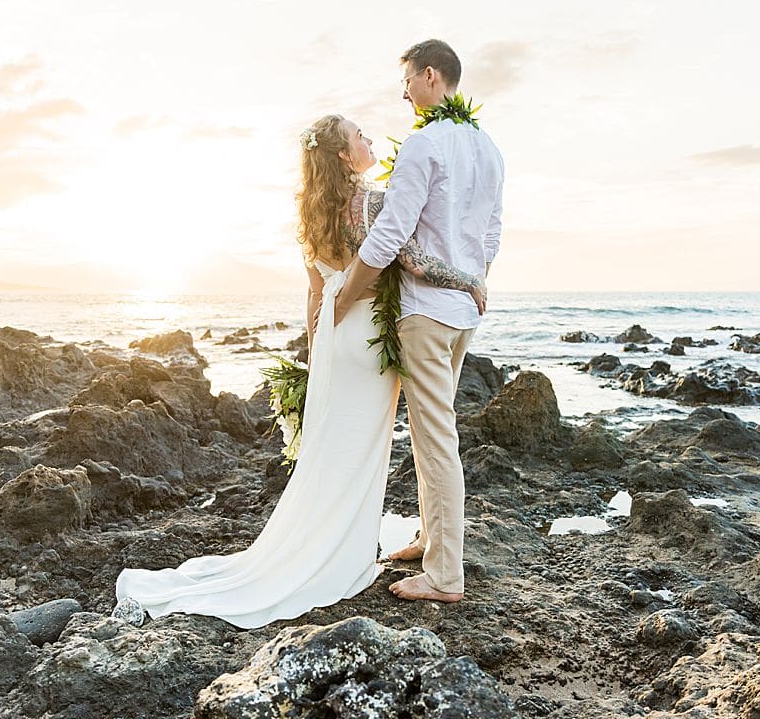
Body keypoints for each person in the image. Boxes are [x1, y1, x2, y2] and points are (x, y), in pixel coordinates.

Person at [113, 113, 484, 629]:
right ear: (342, 154)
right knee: (363, 448)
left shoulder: (309, 215)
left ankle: (330, 540)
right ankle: (346, 552)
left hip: (334, 336)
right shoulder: (371, 202)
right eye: (360, 136)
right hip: (369, 333)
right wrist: (469, 280)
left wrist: (317, 357)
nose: (370, 139)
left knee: (333, 445)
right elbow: (413, 260)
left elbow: (315, 294)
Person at [334, 39, 505, 604]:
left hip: (426, 313)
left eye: (407, 79)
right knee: (438, 430)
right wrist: (474, 279)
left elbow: (389, 235)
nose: (403, 91)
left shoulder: (423, 145)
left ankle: (445, 576)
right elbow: (491, 236)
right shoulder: (489, 148)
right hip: (463, 315)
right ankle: (431, 539)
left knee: (435, 441)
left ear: (431, 76)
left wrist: (342, 300)